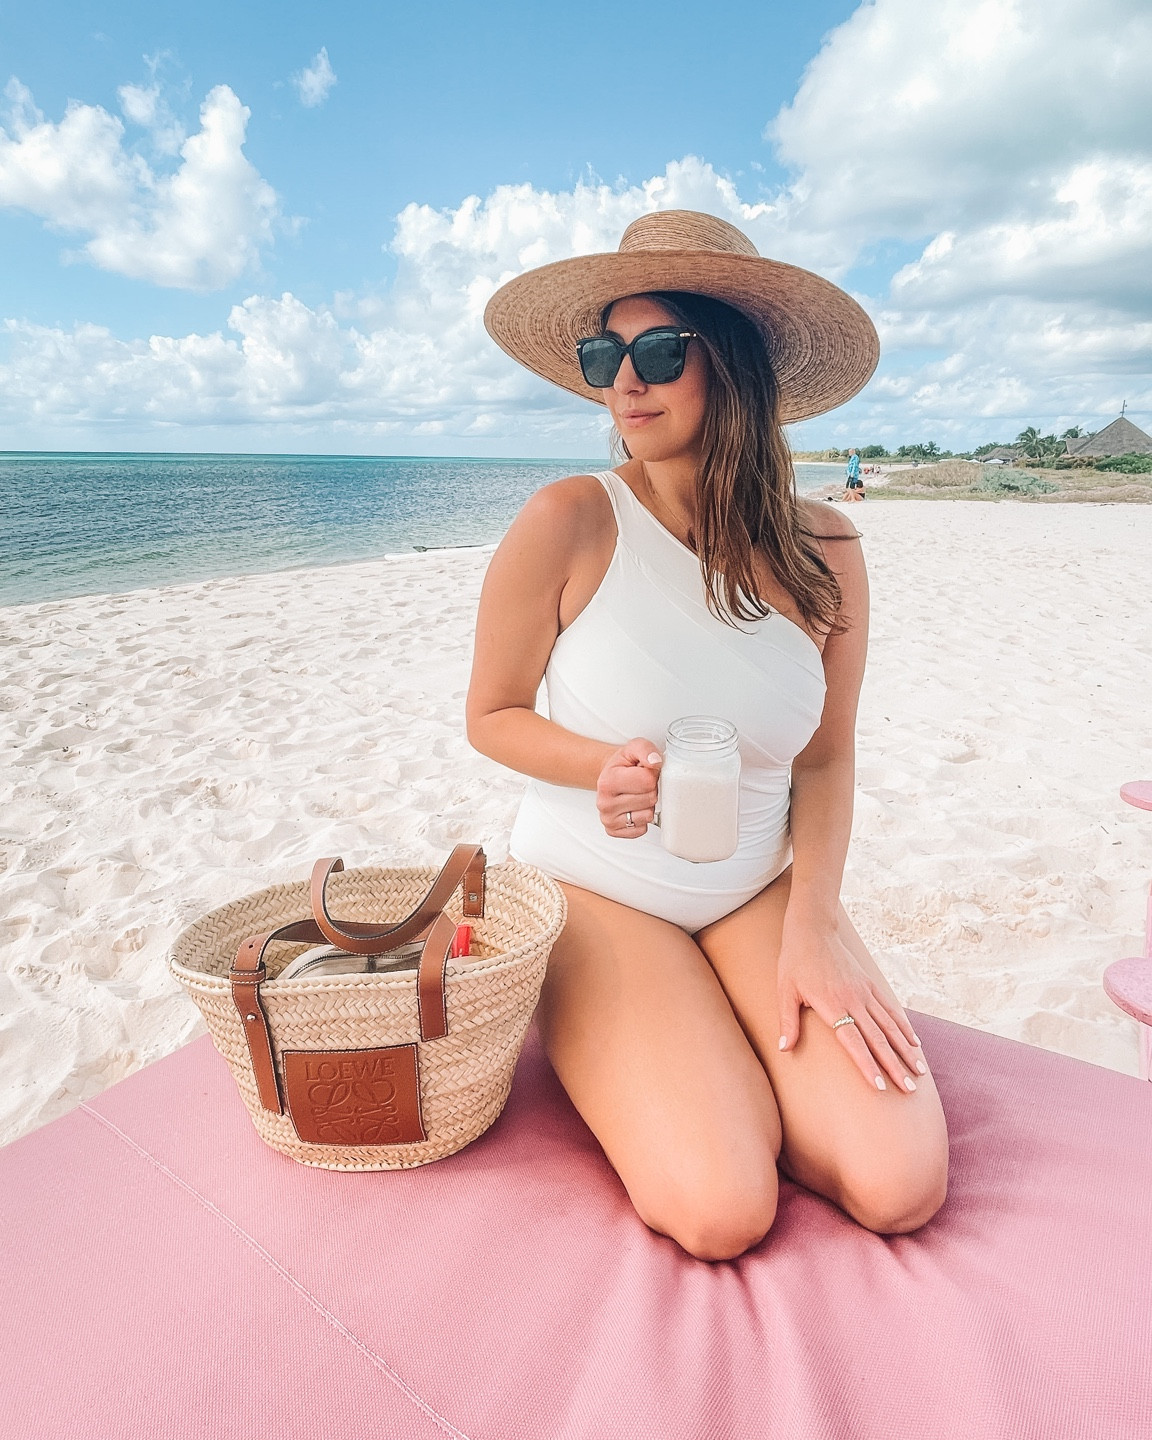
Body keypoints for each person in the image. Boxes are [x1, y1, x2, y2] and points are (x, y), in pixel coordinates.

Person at [469, 211, 948, 1260]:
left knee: (902, 1182)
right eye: (605, 354)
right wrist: (597, 765)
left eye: (659, 350)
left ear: (729, 364)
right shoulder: (567, 521)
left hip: (757, 891)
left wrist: (815, 918)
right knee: (722, 1207)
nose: (623, 381)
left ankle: (739, 1053)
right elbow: (490, 715)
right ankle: (703, 1061)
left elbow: (825, 753)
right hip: (600, 888)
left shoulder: (828, 547)